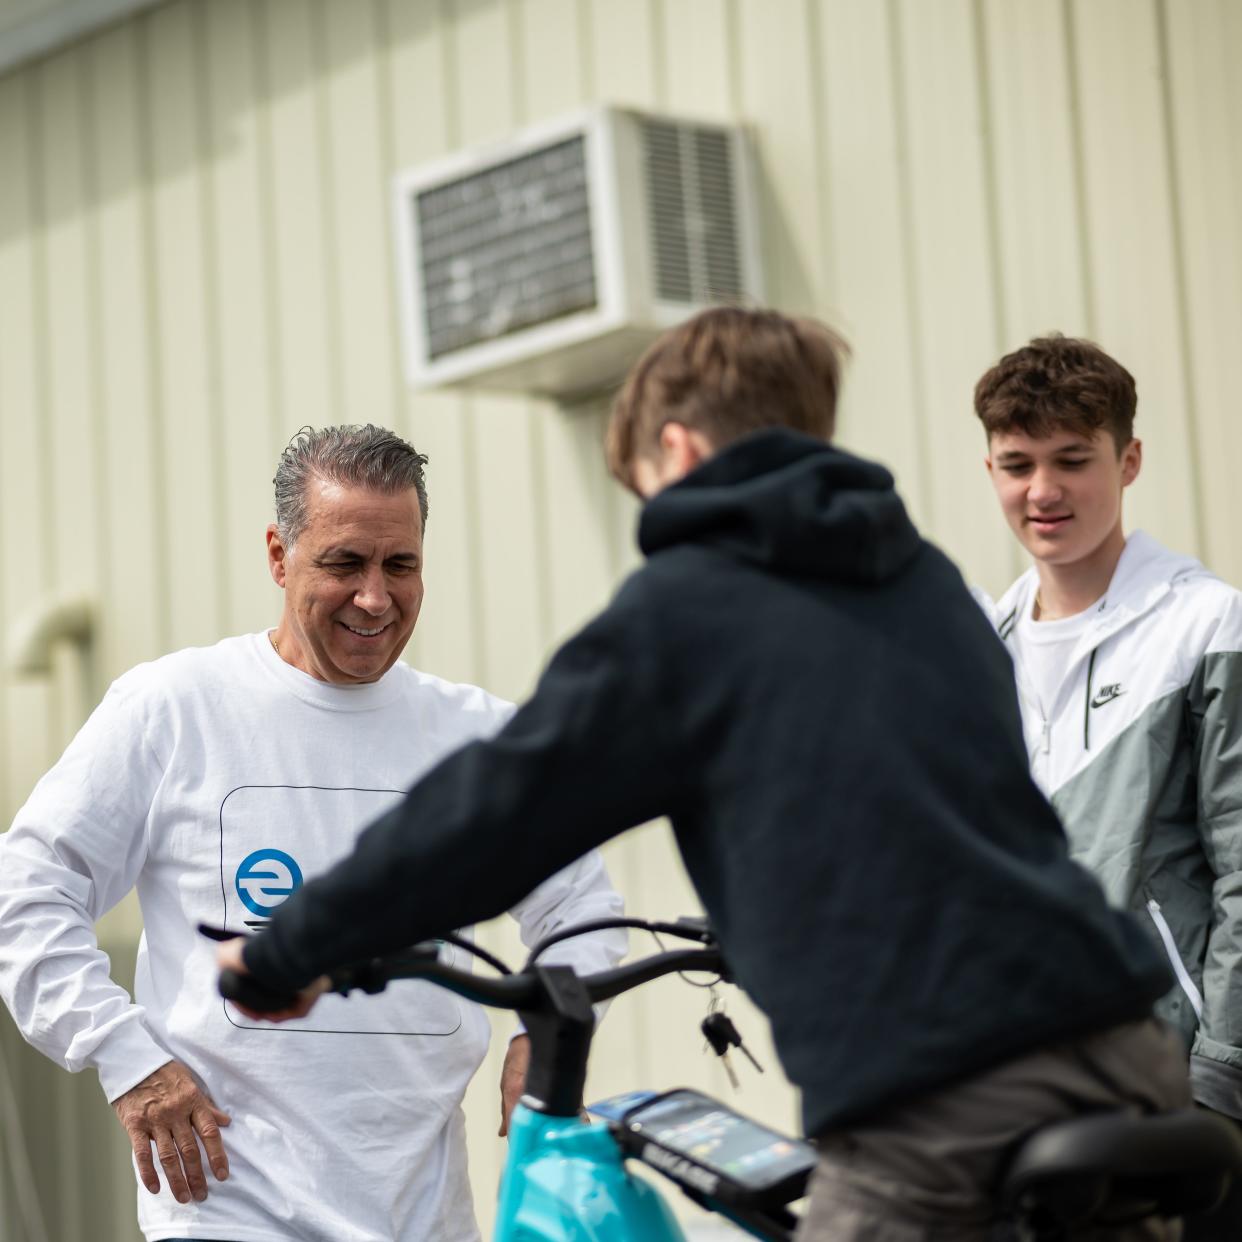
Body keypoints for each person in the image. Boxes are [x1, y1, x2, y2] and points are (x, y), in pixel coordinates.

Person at [221, 308, 1190, 1241]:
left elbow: (498, 812)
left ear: (679, 452)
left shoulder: (690, 610)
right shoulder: (926, 581)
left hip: (949, 1098)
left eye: (646, 490)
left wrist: (291, 947)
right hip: (1128, 1049)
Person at [0, 424, 625, 1242]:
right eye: (344, 564)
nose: (375, 596)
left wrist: (543, 1038)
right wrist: (129, 1062)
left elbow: (585, 910)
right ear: (278, 555)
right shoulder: (175, 708)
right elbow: (29, 891)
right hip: (229, 1210)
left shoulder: (477, 737)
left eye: (400, 565)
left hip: (427, 1216)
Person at [973, 333, 1242, 1239]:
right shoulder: (983, 641)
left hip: (1176, 1092)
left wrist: (1222, 1082)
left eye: (1071, 460)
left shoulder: (1206, 621)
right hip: (1023, 1094)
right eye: (1017, 464)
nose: (1042, 491)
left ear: (1128, 460)